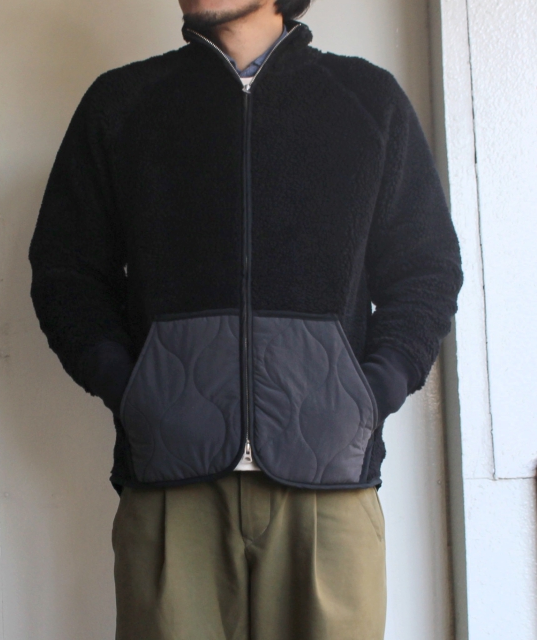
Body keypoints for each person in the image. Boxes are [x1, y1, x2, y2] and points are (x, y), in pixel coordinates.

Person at [28, 0, 464, 637]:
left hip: (329, 486)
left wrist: (370, 394)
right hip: (171, 485)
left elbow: (426, 269)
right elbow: (66, 269)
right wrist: (133, 389)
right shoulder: (122, 105)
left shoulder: (368, 101)